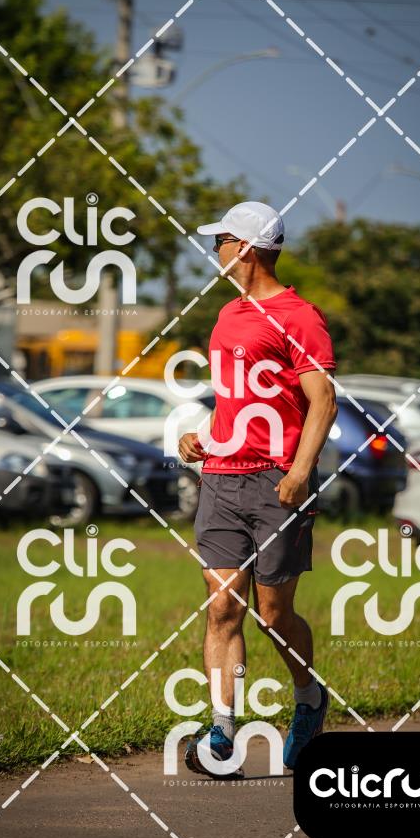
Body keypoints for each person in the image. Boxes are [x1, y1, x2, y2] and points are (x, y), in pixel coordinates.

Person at [178, 201, 338, 777]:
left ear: (244, 247)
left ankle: (309, 699)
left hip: (277, 483)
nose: (214, 250)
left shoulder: (300, 317)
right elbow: (236, 399)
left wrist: (300, 471)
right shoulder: (227, 316)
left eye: (219, 240)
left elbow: (323, 400)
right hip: (222, 477)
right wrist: (203, 437)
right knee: (223, 605)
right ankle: (222, 731)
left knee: (273, 614)